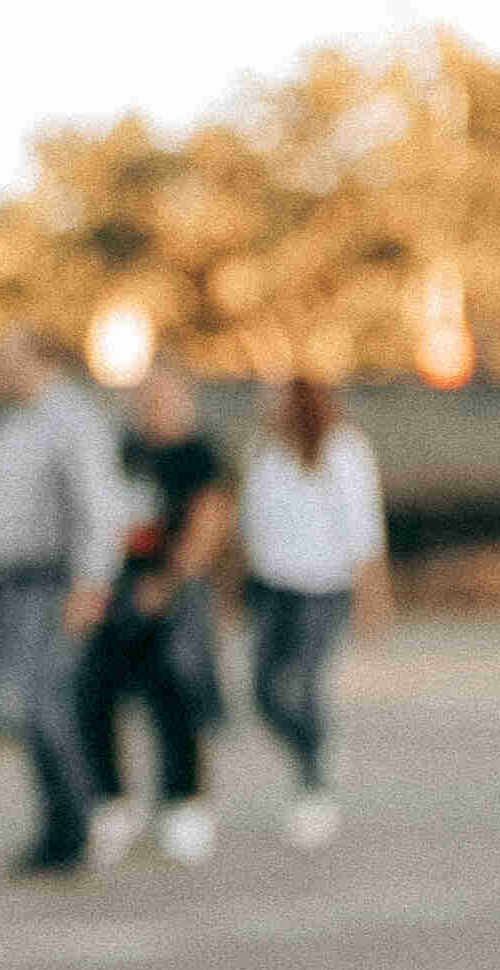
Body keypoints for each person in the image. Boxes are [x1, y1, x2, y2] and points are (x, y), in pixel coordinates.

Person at [0, 327, 128, 879]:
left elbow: (99, 506)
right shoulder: (9, 422)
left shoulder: (71, 418)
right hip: (8, 583)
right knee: (28, 710)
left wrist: (91, 582)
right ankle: (60, 827)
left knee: (45, 706)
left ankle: (79, 824)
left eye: (4, 357)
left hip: (48, 582)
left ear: (36, 359)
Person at [76, 361, 233, 867]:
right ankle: (111, 800)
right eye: (144, 396)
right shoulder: (123, 450)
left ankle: (185, 803)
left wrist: (170, 580)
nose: (150, 405)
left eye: (161, 396)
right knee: (94, 691)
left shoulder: (199, 455)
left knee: (177, 694)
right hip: (117, 590)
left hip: (174, 594)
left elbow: (210, 523)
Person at [237, 372, 385, 849]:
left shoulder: (342, 452)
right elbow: (252, 523)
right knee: (262, 691)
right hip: (270, 588)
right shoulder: (261, 453)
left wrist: (371, 595)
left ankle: (312, 785)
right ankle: (316, 746)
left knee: (302, 685)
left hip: (321, 590)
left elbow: (363, 529)